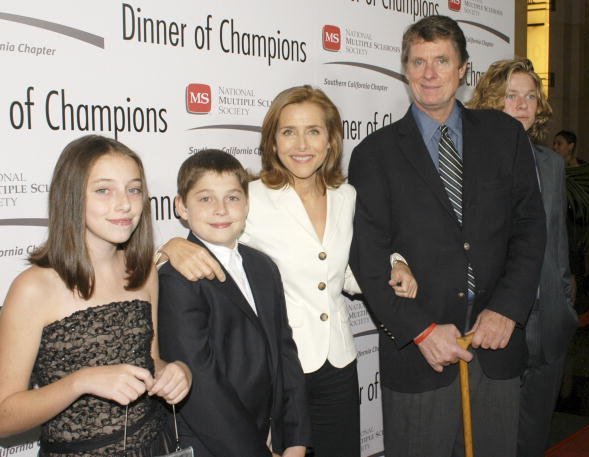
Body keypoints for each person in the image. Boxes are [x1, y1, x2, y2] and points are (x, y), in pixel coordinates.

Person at [157, 85, 418, 457]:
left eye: (313, 131)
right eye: (288, 132)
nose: (302, 143)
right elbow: (210, 241)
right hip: (278, 370)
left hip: (338, 359)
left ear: (330, 141)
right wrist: (167, 248)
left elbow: (343, 269)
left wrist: (395, 264)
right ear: (273, 142)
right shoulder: (250, 198)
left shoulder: (346, 196)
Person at [349, 15, 546, 457]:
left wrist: (507, 311)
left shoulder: (504, 135)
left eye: (441, 60)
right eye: (418, 62)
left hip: (495, 347)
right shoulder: (374, 155)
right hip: (421, 356)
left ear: (463, 69)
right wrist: (420, 331)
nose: (430, 73)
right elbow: (368, 256)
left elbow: (530, 228)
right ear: (405, 70)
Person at [0, 135, 191, 456]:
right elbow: (4, 415)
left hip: (154, 444)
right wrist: (80, 382)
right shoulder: (34, 288)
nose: (125, 204)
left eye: (133, 189)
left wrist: (176, 372)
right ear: (71, 197)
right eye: (104, 190)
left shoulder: (143, 272)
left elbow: (151, 361)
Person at [157, 149, 310, 457]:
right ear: (181, 207)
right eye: (205, 199)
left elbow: (284, 353)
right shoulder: (177, 277)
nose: (221, 209)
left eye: (232, 198)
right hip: (215, 445)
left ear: (247, 204)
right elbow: (201, 383)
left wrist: (294, 440)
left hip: (269, 438)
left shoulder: (263, 267)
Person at [468, 57, 578, 457]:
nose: (523, 104)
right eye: (511, 95)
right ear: (490, 101)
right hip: (493, 329)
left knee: (532, 441)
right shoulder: (467, 164)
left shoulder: (550, 164)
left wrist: (565, 302)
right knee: (488, 443)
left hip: (548, 326)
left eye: (530, 96)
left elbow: (558, 244)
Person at [553, 130, 589, 289]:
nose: (555, 147)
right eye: (554, 143)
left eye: (559, 144)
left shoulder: (583, 170)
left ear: (570, 146)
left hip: (576, 230)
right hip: (557, 226)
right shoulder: (552, 168)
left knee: (572, 272)